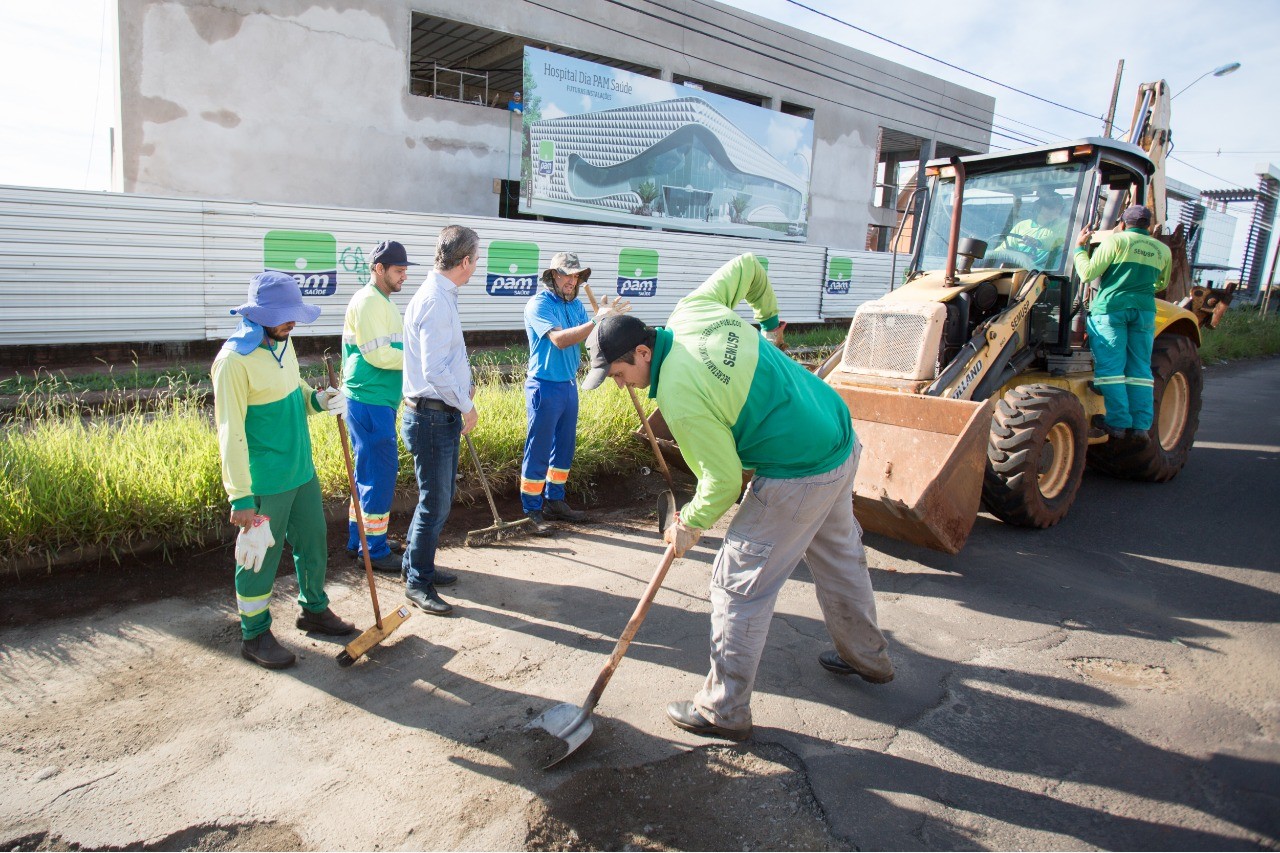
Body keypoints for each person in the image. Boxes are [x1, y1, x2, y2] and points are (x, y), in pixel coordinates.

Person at [582, 253, 893, 741]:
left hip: (799, 469)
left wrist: (689, 524)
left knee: (737, 584)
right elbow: (750, 266)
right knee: (839, 555)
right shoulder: (692, 310)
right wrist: (770, 324)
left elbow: (724, 482)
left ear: (643, 353)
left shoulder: (681, 397)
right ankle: (869, 657)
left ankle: (723, 710)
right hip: (836, 432)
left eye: (619, 373)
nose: (621, 385)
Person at [212, 271, 355, 670]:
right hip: (265, 482)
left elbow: (293, 394)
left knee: (314, 542)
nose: (293, 323)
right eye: (285, 316)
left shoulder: (282, 344)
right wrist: (239, 495)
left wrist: (320, 400)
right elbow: (230, 433)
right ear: (259, 315)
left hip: (301, 470)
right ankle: (254, 633)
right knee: (258, 557)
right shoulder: (233, 362)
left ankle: (314, 609)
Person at [399, 225, 480, 616]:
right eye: (475, 260)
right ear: (464, 261)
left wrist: (465, 387)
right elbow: (434, 370)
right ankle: (418, 582)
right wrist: (465, 403)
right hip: (432, 418)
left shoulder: (441, 295)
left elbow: (445, 359)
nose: (475, 267)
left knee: (438, 500)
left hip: (435, 415)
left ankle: (417, 566)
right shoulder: (435, 300)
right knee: (435, 503)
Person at [520, 252, 630, 531]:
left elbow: (588, 339)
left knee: (564, 448)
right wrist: (596, 321)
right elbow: (558, 340)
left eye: (576, 276)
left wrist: (607, 323)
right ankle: (531, 510)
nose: (572, 280)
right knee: (540, 448)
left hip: (569, 385)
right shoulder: (539, 304)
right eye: (566, 275)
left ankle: (555, 500)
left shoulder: (577, 306)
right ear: (553, 276)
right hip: (544, 385)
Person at [341, 239, 416, 572]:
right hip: (369, 400)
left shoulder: (380, 300)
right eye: (398, 271)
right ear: (378, 268)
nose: (403, 277)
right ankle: (374, 551)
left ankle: (361, 540)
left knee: (366, 474)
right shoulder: (371, 302)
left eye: (404, 270)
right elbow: (378, 354)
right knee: (380, 475)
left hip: (373, 399)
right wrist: (417, 360)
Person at [1073, 204, 1172, 441]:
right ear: (1148, 225)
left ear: (1124, 222)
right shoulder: (1162, 250)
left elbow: (1087, 274)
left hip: (1112, 309)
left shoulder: (1116, 242)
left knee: (1111, 369)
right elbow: (1161, 285)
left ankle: (1117, 423)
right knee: (1140, 370)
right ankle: (1140, 426)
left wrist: (1079, 249)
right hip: (1144, 311)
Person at [996, 193, 1067, 268]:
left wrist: (1038, 242)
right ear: (1039, 207)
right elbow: (1004, 248)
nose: (1057, 211)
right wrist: (990, 256)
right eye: (1051, 208)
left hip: (1045, 273)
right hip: (1019, 270)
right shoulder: (1022, 226)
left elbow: (1055, 241)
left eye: (1060, 208)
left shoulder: (1063, 226)